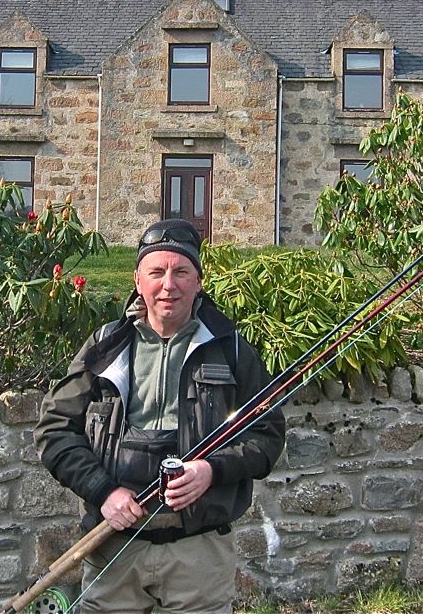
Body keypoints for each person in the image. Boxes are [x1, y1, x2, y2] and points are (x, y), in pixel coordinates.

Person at [35, 218, 285, 614]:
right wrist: (103, 491)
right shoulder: (104, 347)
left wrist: (212, 471)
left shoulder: (231, 349)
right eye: (157, 272)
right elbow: (54, 431)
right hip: (114, 548)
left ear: (198, 281)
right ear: (138, 280)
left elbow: (267, 437)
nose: (169, 284)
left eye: (181, 271)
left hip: (200, 555)